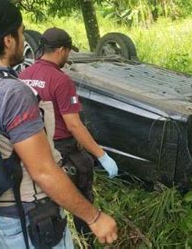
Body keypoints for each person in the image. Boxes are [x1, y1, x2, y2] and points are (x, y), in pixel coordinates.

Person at [0, 0, 117, 248]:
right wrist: (94, 217)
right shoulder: (13, 92)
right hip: (30, 220)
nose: (24, 41)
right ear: (8, 40)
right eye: (21, 33)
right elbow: (43, 171)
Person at [19, 27, 118, 245]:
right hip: (64, 149)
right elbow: (74, 125)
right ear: (62, 50)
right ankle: (88, 238)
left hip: (35, 147)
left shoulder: (25, 74)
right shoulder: (60, 80)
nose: (68, 56)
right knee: (81, 199)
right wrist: (101, 155)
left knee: (49, 201)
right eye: (68, 52)